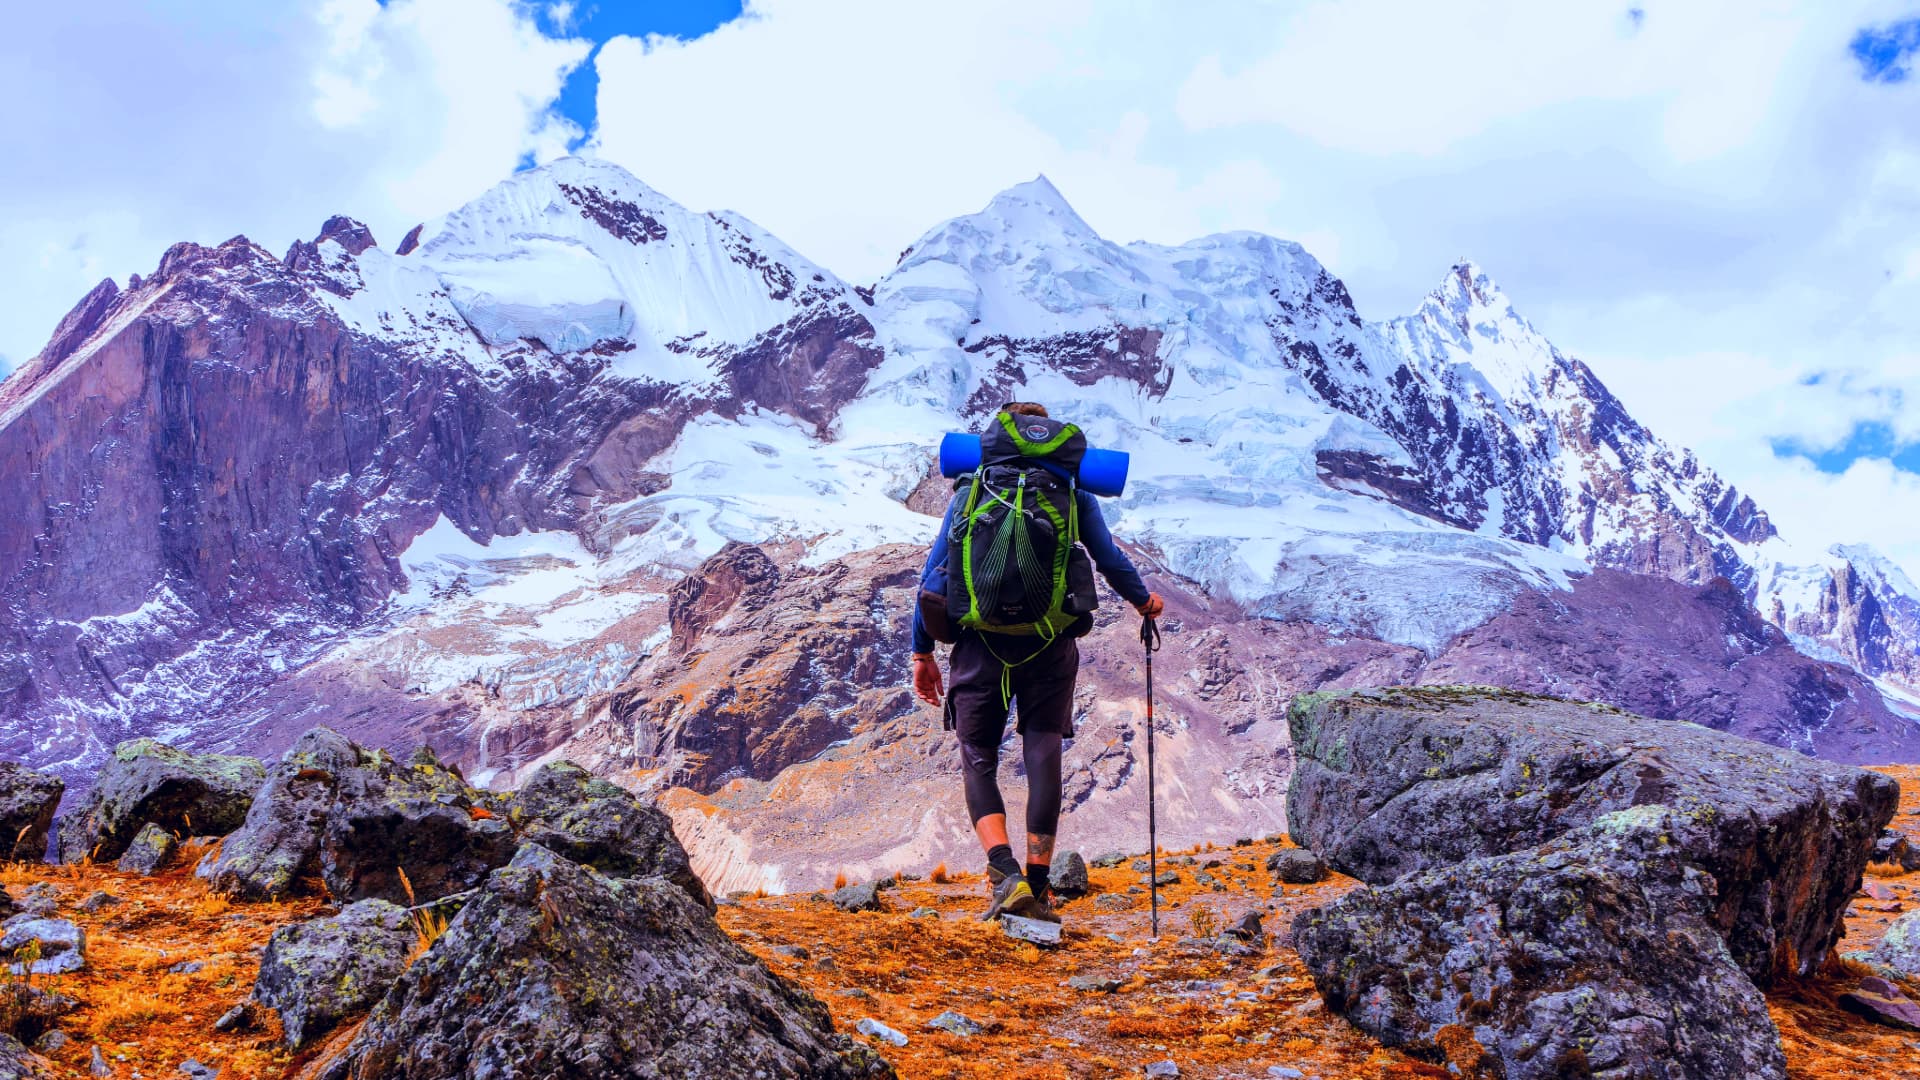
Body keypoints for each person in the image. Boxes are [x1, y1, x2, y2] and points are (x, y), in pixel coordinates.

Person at [910, 402, 1163, 922]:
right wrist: (1143, 602)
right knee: (1042, 755)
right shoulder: (1072, 494)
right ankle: (1040, 887)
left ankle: (1005, 878)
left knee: (978, 755)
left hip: (980, 646)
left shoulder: (974, 491)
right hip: (1050, 644)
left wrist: (922, 652)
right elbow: (1109, 559)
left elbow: (933, 575)